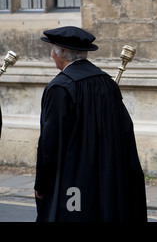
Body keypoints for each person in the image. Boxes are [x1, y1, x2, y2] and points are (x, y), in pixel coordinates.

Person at [34, 26, 147, 222]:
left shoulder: (60, 87)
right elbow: (126, 131)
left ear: (61, 52)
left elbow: (49, 145)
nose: (51, 54)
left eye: (52, 49)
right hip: (107, 178)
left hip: (72, 186)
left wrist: (41, 185)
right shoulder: (107, 82)